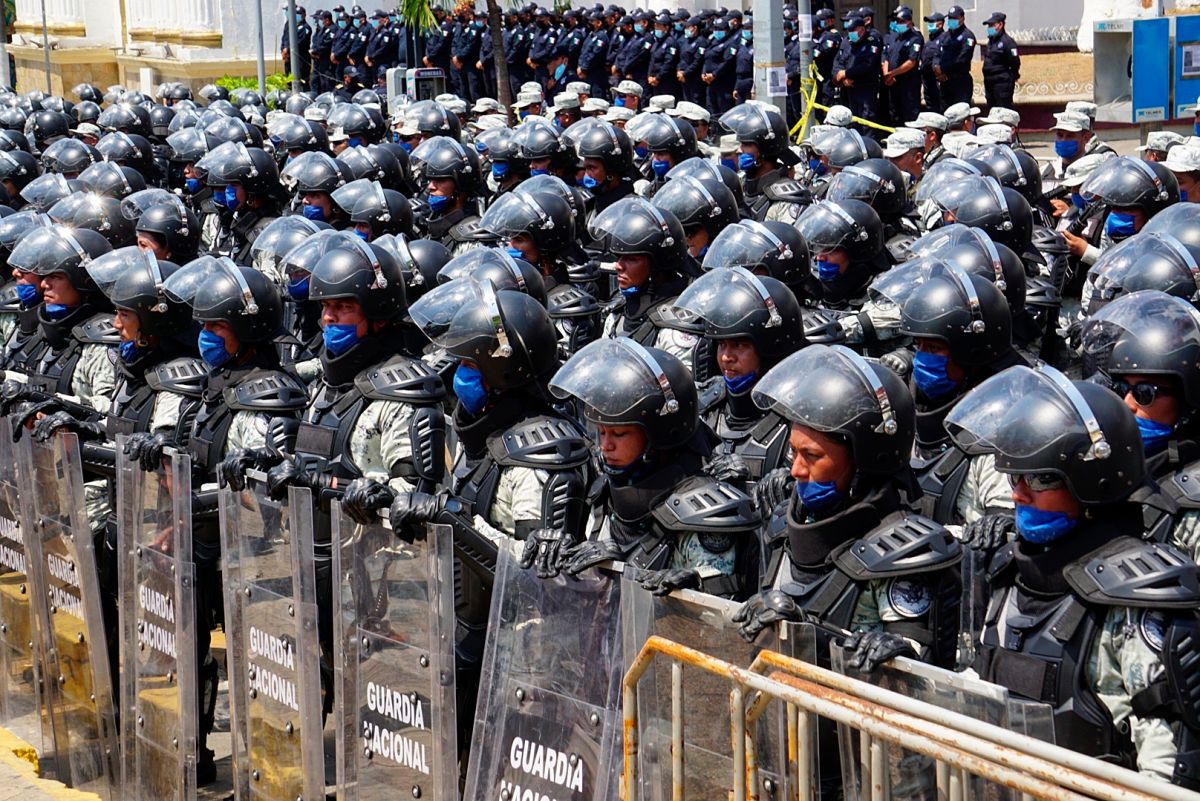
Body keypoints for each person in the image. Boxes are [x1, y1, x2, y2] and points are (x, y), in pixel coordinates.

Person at [945, 363, 1200, 788]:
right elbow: (977, 691)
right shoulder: (1009, 573)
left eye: (1041, 478)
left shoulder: (1135, 605)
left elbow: (1167, 773)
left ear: (1091, 481)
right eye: (1016, 476)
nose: (1018, 493)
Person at [733, 344, 962, 675]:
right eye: (793, 453)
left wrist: (809, 636)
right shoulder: (782, 525)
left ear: (864, 460)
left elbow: (911, 681)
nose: (796, 470)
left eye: (812, 457)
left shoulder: (904, 558)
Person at [552, 337, 761, 599]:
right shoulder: (603, 493)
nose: (605, 446)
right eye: (601, 432)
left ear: (659, 435)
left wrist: (631, 576)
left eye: (618, 434)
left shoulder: (703, 515)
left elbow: (713, 626)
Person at [833, 16, 882, 129]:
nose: (850, 34)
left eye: (853, 31)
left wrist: (846, 74)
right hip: (849, 89)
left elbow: (867, 65)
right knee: (852, 123)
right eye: (849, 31)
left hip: (865, 89)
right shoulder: (848, 42)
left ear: (862, 30)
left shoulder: (872, 42)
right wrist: (842, 78)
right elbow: (838, 62)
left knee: (866, 121)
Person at [882, 6, 923, 127]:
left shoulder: (915, 38)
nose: (899, 24)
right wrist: (887, 75)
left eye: (902, 22)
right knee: (895, 114)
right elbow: (887, 57)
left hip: (908, 85)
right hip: (893, 83)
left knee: (910, 116)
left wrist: (892, 74)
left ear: (909, 23)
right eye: (898, 21)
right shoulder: (895, 38)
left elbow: (911, 62)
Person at [935, 7, 975, 107]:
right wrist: (936, 67)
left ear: (962, 18)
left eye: (954, 18)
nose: (951, 21)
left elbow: (962, 59)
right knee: (944, 114)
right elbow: (937, 54)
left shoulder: (968, 36)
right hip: (944, 82)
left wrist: (942, 69)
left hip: (960, 82)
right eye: (950, 18)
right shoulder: (944, 36)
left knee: (960, 115)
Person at [981, 11, 1020, 111]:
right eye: (988, 25)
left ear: (1000, 24)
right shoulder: (991, 41)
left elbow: (1015, 62)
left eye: (992, 25)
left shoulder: (1007, 42)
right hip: (990, 83)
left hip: (1002, 84)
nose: (989, 28)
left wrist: (1013, 76)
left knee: (1003, 112)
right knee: (992, 111)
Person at [920, 11, 945, 112]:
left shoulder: (944, 38)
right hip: (927, 82)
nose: (929, 25)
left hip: (937, 81)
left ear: (940, 24)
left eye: (932, 22)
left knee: (940, 109)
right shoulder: (930, 40)